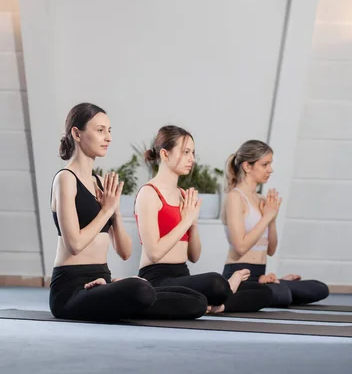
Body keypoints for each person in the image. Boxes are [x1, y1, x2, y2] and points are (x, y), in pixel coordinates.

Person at [50, 103, 207, 322]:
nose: (108, 137)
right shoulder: (65, 179)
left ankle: (118, 299)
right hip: (71, 290)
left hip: (102, 281)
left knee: (195, 300)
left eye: (109, 130)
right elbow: (74, 244)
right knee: (140, 289)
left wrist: (114, 212)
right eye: (100, 130)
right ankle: (124, 298)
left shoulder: (101, 183)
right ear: (77, 133)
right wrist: (106, 209)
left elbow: (124, 252)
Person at [134, 125, 273, 313]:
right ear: (165, 155)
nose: (192, 158)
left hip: (182, 274)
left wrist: (193, 224)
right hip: (157, 278)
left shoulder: (183, 195)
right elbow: (154, 253)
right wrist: (186, 219)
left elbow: (194, 256)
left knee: (264, 292)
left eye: (192, 152)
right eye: (185, 152)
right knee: (215, 283)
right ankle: (219, 294)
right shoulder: (149, 193)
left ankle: (217, 305)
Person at [221, 140, 329, 308]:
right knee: (283, 294)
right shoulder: (235, 197)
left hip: (261, 275)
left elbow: (270, 250)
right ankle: (272, 286)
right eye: (265, 164)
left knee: (319, 288)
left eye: (270, 164)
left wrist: (272, 220)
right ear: (247, 166)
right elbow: (240, 247)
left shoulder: (262, 199)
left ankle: (274, 283)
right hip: (239, 275)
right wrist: (267, 216)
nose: (270, 169)